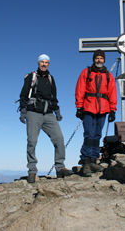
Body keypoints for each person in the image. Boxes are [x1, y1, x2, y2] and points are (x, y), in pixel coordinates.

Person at [19, 54, 73, 183]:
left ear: (49, 64)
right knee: (32, 141)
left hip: (48, 113)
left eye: (46, 62)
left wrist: (57, 111)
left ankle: (60, 168)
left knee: (59, 139)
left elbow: (54, 97)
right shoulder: (31, 77)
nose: (44, 64)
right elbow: (23, 95)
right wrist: (23, 111)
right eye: (42, 62)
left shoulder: (50, 78)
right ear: (38, 63)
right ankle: (32, 171)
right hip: (33, 112)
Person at [75, 49, 117, 177]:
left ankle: (93, 159)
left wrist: (112, 110)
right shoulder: (86, 72)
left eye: (101, 58)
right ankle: (86, 160)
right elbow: (80, 89)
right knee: (89, 134)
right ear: (94, 59)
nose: (99, 60)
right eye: (97, 58)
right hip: (88, 107)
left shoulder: (108, 76)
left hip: (103, 109)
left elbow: (112, 93)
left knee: (97, 134)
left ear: (104, 60)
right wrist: (79, 107)